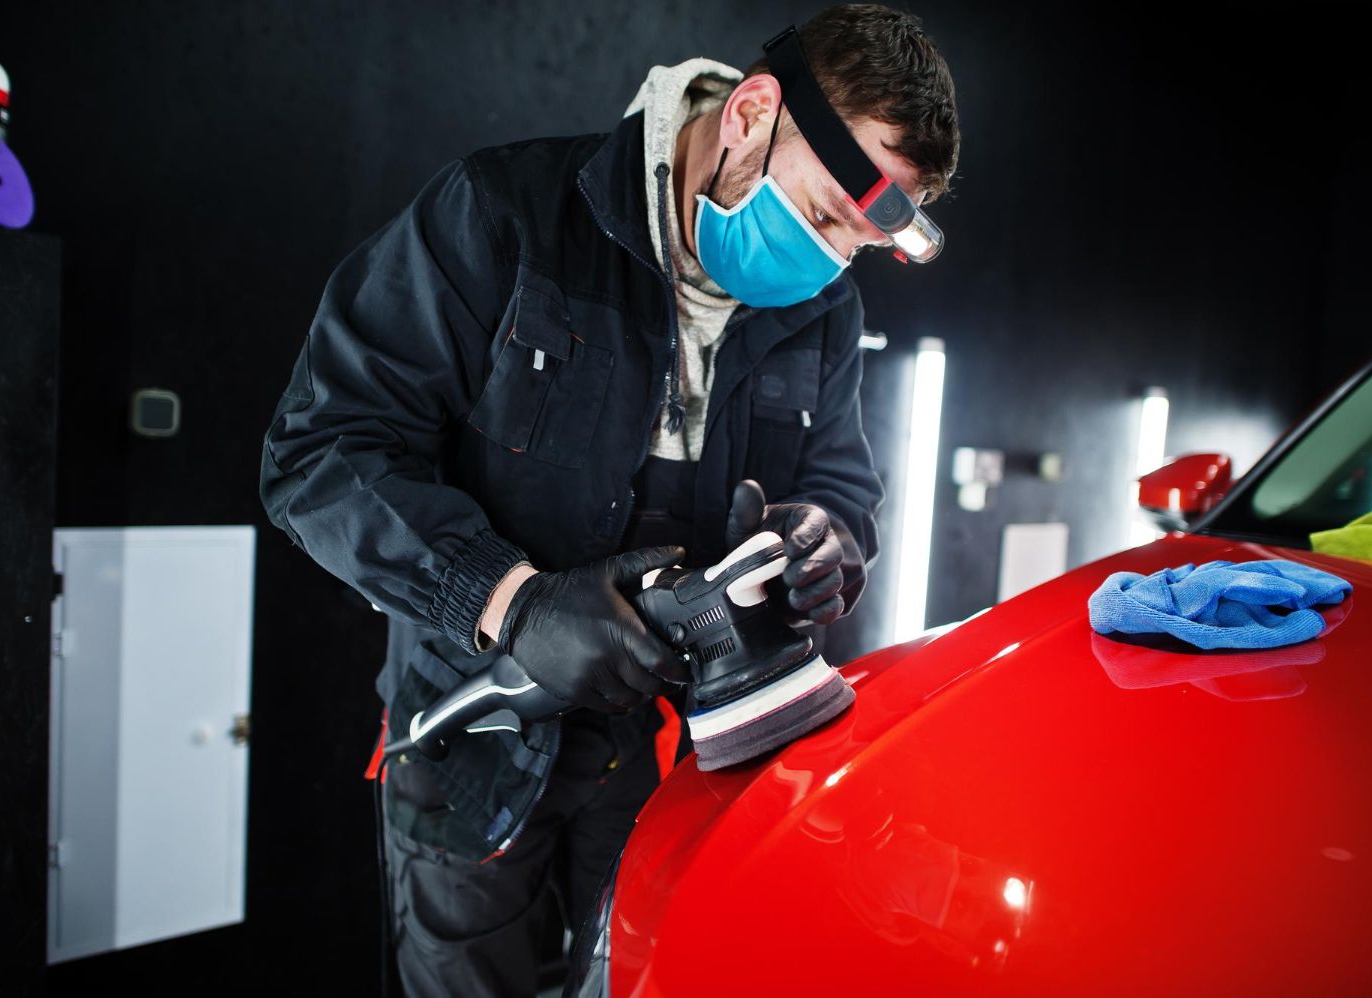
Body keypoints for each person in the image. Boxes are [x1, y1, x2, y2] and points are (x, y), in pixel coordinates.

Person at [258, 4, 959, 994]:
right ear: (751, 114)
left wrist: (830, 535)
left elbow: (839, 478)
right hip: (480, 739)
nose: (831, 263)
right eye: (818, 217)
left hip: (670, 762)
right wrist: (509, 600)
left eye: (857, 244)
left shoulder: (823, 306)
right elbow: (320, 454)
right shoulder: (502, 215)